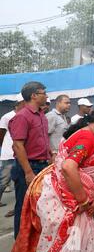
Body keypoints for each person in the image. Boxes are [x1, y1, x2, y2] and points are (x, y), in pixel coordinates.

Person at [9, 105, 94, 252]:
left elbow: (90, 174)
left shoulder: (89, 136)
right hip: (68, 203)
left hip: (71, 201)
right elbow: (69, 167)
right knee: (68, 249)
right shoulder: (87, 138)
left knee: (72, 248)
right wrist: (83, 200)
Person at [8, 82, 51, 239]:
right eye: (43, 93)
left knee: (39, 203)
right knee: (23, 205)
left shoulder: (41, 116)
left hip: (41, 165)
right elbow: (18, 146)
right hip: (28, 166)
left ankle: (34, 238)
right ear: (34, 95)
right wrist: (28, 172)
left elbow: (43, 140)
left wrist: (50, 156)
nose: (46, 96)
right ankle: (21, 242)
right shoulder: (22, 116)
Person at [0, 94, 25, 211]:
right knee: (4, 180)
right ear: (19, 103)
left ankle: (18, 206)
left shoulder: (25, 115)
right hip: (9, 154)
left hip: (20, 153)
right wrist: (5, 148)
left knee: (19, 181)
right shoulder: (7, 117)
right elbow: (1, 134)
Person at [46, 94, 71, 163]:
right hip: (54, 155)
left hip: (61, 154)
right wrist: (51, 154)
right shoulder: (51, 116)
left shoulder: (63, 116)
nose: (69, 105)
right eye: (66, 103)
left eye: (69, 103)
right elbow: (45, 136)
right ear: (58, 103)